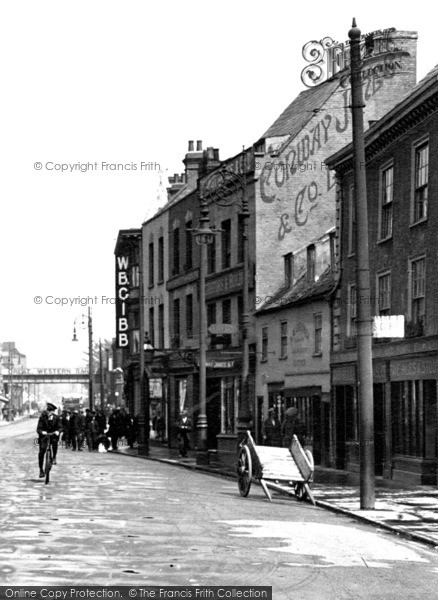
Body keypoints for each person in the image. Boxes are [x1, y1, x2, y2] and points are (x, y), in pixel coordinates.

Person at [37, 402, 61, 478]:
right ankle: (41, 469)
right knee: (41, 452)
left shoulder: (57, 418)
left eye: (50, 411)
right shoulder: (42, 418)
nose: (48, 412)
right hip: (44, 436)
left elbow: (61, 427)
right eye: (48, 410)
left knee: (55, 444)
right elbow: (38, 428)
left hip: (53, 435)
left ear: (53, 411)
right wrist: (42, 432)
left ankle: (54, 457)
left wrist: (58, 431)